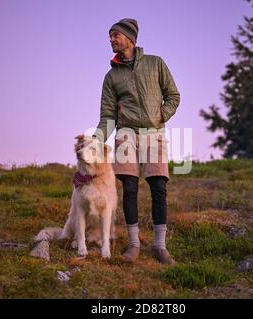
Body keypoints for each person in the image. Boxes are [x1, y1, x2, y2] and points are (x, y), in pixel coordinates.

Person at [93, 18, 180, 264]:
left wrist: (162, 115)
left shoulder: (156, 64)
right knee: (129, 189)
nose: (111, 39)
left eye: (115, 35)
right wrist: (96, 141)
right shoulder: (111, 77)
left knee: (158, 188)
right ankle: (133, 245)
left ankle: (160, 248)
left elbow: (173, 95)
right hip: (126, 134)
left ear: (130, 38)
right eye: (110, 36)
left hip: (154, 133)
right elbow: (107, 116)